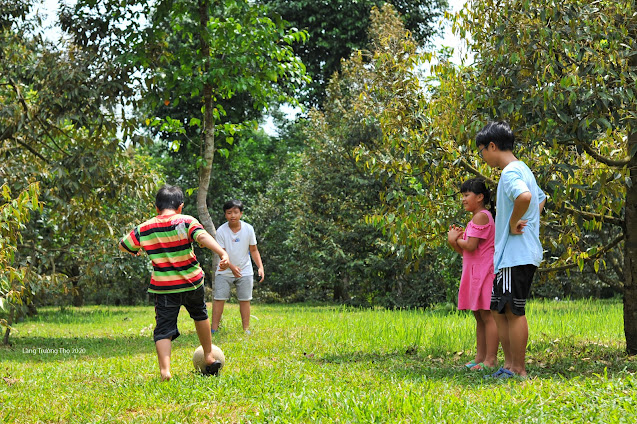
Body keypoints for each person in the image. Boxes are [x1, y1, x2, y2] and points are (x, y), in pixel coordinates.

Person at [118, 185, 229, 381]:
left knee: (164, 328)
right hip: (192, 282)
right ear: (180, 206)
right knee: (200, 315)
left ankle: (165, 371)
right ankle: (209, 357)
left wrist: (135, 250)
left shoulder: (145, 228)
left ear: (156, 207)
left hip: (164, 287)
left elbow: (123, 244)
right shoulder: (186, 221)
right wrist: (222, 253)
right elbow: (202, 236)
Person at [475, 121, 546, 379]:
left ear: (492, 146)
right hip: (519, 253)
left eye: (482, 150)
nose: (482, 156)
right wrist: (527, 221)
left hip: (514, 255)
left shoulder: (509, 172)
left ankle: (518, 369)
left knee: (513, 311)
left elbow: (525, 197)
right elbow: (540, 198)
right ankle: (510, 367)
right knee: (500, 309)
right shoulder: (523, 168)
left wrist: (516, 221)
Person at [447, 178, 498, 371]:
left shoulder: (481, 217)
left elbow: (470, 245)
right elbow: (467, 251)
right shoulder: (474, 218)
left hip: (485, 273)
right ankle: (480, 357)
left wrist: (455, 239)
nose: (463, 199)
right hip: (475, 272)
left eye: (467, 195)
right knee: (479, 315)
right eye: (462, 195)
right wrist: (454, 242)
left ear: (480, 197)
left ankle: (490, 360)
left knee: (488, 316)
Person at [211, 199, 264, 335]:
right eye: (229, 213)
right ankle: (214, 329)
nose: (232, 215)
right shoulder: (221, 231)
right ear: (225, 215)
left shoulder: (248, 229)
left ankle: (246, 329)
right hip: (224, 270)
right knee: (219, 299)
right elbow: (222, 253)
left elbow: (253, 250)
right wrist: (232, 267)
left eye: (235, 212)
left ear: (241, 213)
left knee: (245, 300)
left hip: (245, 270)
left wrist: (260, 267)